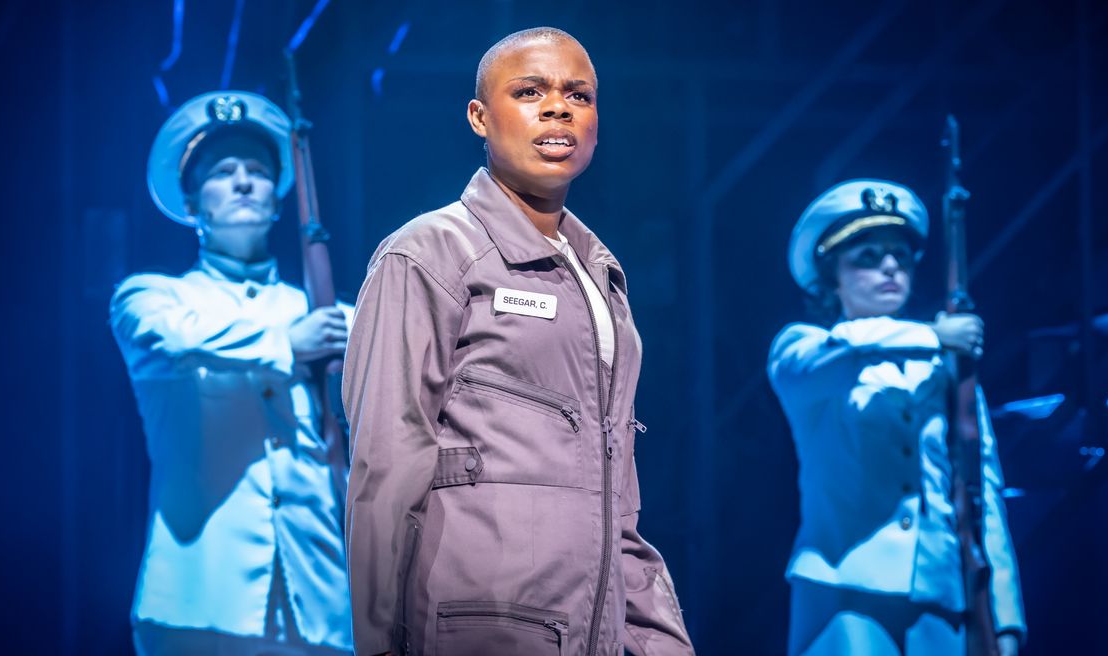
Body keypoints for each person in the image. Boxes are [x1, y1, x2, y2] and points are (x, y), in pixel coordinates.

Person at [342, 27, 694, 656]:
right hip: (477, 626)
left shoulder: (601, 275)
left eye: (578, 95)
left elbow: (616, 493)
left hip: (588, 627)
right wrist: (376, 640)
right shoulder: (428, 253)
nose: (557, 107)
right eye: (530, 91)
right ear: (479, 116)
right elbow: (386, 463)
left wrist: (652, 633)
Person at [111, 91, 353, 655]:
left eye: (258, 172)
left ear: (276, 200)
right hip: (197, 600)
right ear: (193, 203)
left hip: (322, 604)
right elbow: (173, 341)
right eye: (223, 172)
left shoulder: (331, 317)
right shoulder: (151, 298)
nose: (244, 182)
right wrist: (285, 344)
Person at [767, 179, 1027, 655]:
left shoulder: (944, 367)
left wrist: (1005, 614)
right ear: (832, 276)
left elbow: (983, 491)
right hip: (845, 589)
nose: (889, 265)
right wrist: (936, 335)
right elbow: (836, 353)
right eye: (867, 256)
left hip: (942, 590)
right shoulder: (804, 347)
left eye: (900, 256)